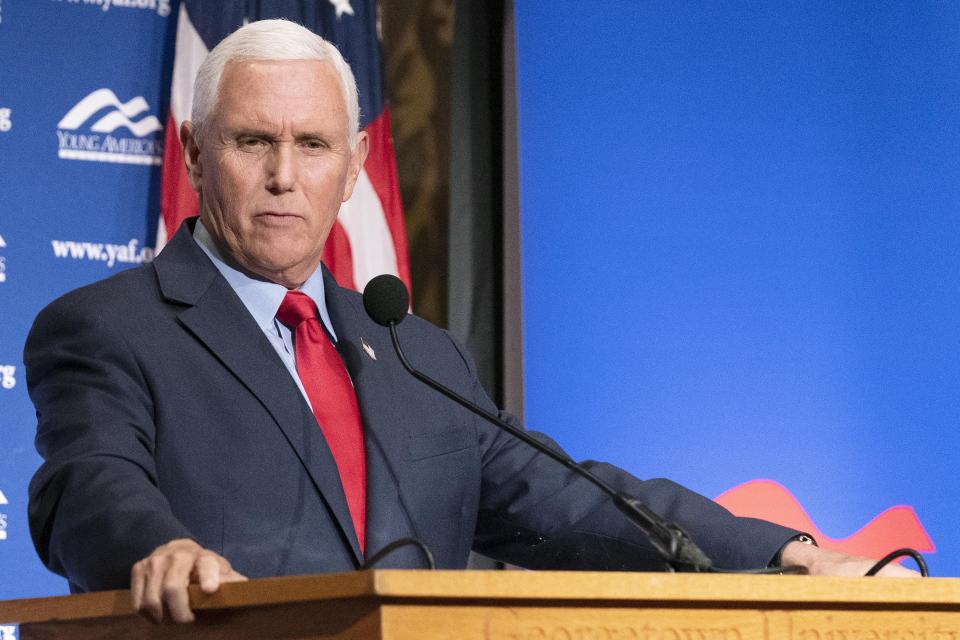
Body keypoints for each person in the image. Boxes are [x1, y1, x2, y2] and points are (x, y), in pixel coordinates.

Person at [24, 19, 914, 626]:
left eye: (313, 144)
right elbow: (86, 484)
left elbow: (574, 504)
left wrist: (787, 557)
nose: (284, 175)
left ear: (355, 163)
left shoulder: (414, 352)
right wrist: (159, 550)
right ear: (194, 150)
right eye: (253, 141)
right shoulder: (107, 327)